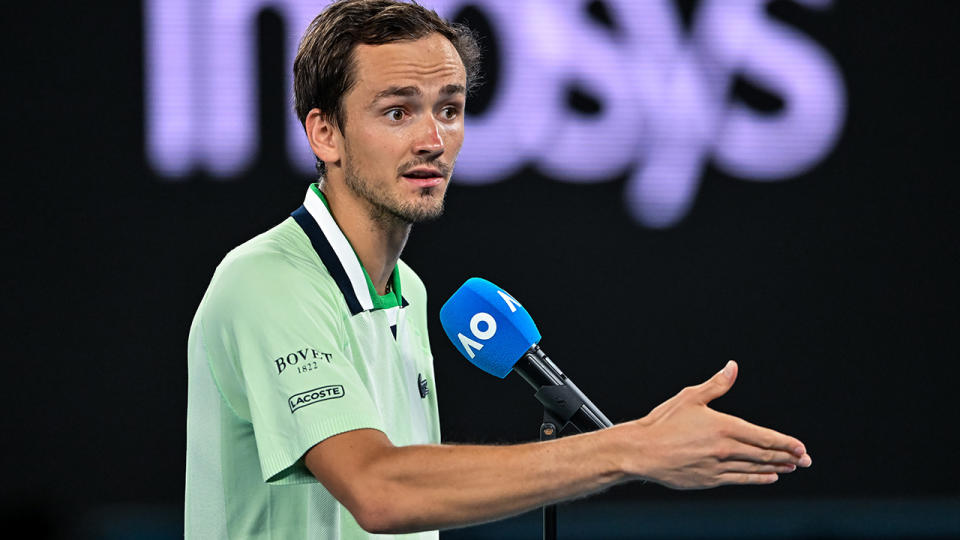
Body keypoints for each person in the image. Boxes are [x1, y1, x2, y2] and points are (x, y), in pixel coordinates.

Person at [184, 1, 813, 538]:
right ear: (325, 134)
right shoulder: (267, 282)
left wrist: (629, 446)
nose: (433, 138)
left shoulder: (407, 289)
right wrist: (628, 446)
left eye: (449, 109)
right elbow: (378, 489)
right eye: (398, 111)